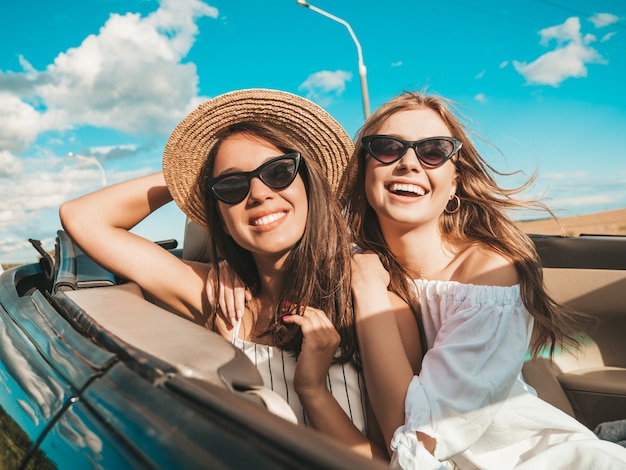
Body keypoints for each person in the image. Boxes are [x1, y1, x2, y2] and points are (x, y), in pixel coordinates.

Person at [59, 89, 385, 460]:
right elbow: (81, 217)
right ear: (223, 221)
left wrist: (312, 389)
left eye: (279, 172)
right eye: (232, 186)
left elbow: (392, 464)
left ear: (310, 186)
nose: (259, 193)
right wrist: (192, 176)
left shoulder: (369, 295)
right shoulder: (218, 299)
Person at [343, 90, 626, 468]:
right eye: (387, 147)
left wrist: (368, 290)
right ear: (364, 169)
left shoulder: (486, 275)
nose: (409, 162)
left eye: (433, 150)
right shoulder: (354, 257)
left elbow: (416, 445)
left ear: (455, 182)